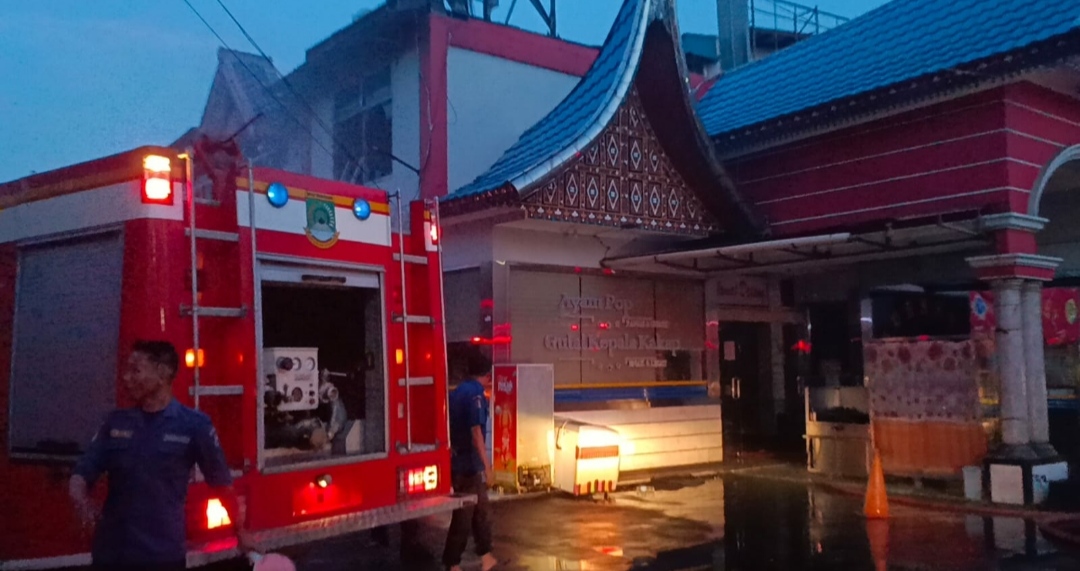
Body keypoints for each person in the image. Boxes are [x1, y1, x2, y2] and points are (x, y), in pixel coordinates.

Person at [69, 340, 252, 570]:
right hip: (112, 553)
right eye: (127, 370)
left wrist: (240, 532)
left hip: (162, 555)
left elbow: (221, 485)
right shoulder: (115, 422)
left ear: (162, 373)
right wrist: (81, 501)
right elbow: (82, 472)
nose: (126, 378)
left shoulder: (194, 425)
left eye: (136, 370)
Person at [442, 351, 497, 571]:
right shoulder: (475, 395)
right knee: (466, 515)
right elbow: (476, 432)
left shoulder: (458, 391)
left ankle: (486, 556)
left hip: (458, 461)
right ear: (487, 375)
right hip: (469, 465)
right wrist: (487, 466)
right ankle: (452, 562)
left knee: (480, 511)